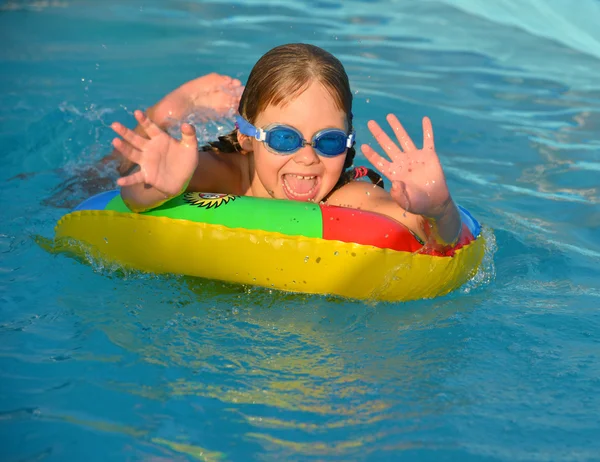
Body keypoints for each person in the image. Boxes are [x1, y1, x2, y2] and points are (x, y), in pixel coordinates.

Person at [108, 43, 465, 251]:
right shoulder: (224, 173)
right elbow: (131, 192)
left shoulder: (344, 196)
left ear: (348, 142)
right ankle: (171, 108)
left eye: (329, 142)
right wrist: (156, 186)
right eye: (284, 138)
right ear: (247, 135)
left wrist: (439, 207)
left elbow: (424, 232)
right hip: (160, 162)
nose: (307, 157)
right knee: (97, 174)